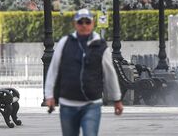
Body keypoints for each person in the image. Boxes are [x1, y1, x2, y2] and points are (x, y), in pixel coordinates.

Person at [45, 8, 123, 136]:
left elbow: (110, 74)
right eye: (80, 22)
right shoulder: (65, 42)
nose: (84, 25)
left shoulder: (101, 46)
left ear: (92, 23)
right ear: (75, 24)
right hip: (67, 103)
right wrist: (49, 95)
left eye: (87, 22)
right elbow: (53, 69)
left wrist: (117, 99)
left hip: (92, 104)